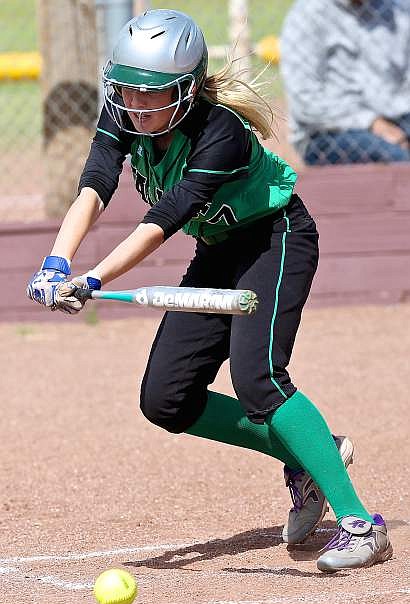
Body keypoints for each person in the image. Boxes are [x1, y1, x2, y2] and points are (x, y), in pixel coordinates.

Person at [27, 9, 392, 572]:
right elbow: (95, 186)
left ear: (190, 89)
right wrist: (56, 263)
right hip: (219, 250)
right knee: (166, 401)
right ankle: (306, 457)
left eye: (154, 95)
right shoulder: (126, 112)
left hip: (275, 240)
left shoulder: (218, 131)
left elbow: (163, 219)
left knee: (258, 380)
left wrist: (93, 279)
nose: (137, 105)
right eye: (127, 90)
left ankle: (361, 525)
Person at [280, 0, 410, 165]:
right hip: (330, 131)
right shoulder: (307, 14)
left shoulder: (398, 9)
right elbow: (306, 101)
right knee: (400, 161)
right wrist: (372, 122)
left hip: (396, 114)